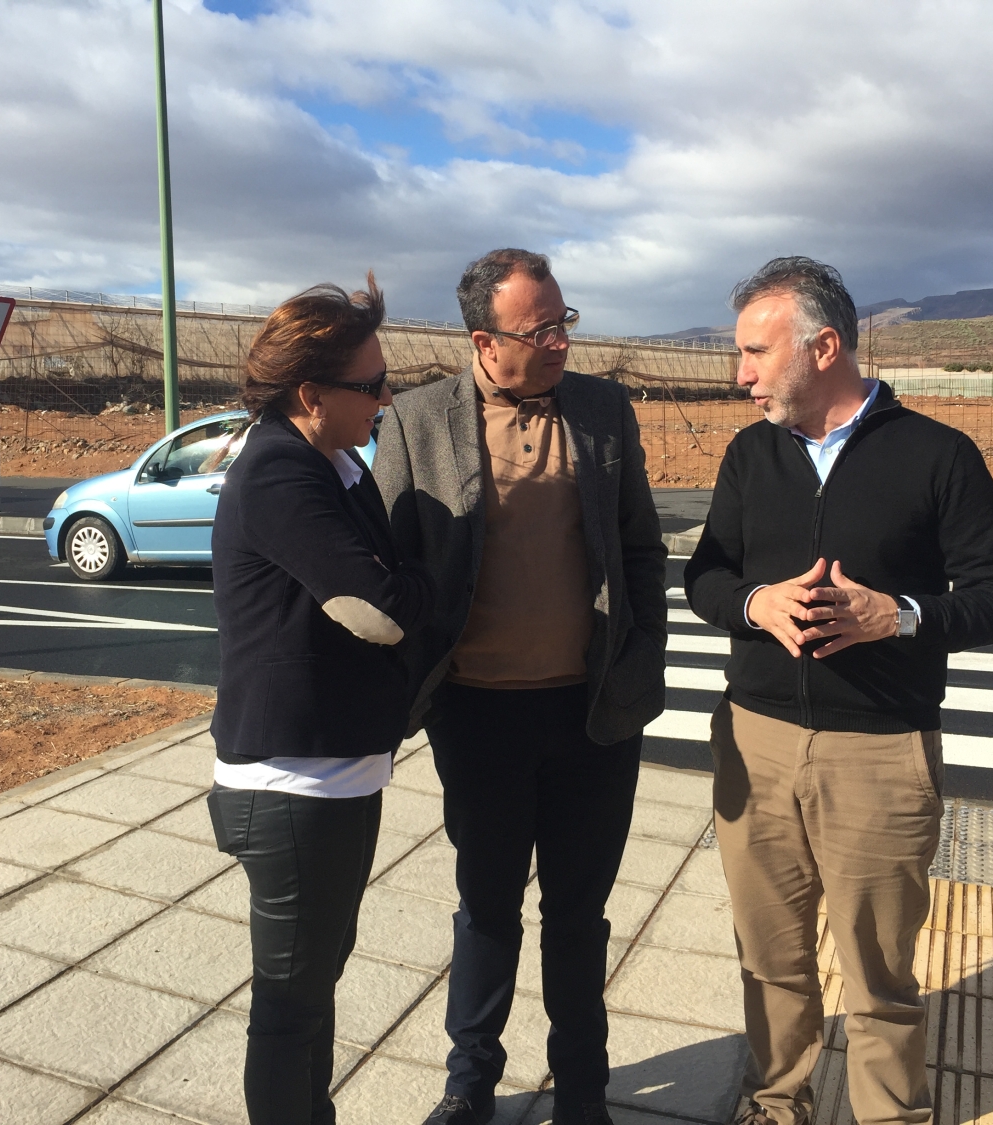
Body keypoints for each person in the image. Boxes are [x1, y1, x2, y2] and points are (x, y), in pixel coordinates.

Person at [683, 257, 993, 1125]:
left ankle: (889, 1116)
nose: (742, 374)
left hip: (879, 751)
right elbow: (706, 575)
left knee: (878, 975)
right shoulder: (750, 453)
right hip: (754, 738)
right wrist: (757, 603)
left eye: (757, 352)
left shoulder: (938, 455)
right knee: (770, 955)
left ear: (824, 346)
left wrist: (900, 613)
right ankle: (775, 1100)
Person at [372, 249, 667, 1125]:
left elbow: (642, 547)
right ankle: (471, 1083)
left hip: (592, 713)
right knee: (488, 904)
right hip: (478, 714)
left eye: (563, 322)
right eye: (537, 330)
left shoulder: (605, 410)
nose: (558, 342)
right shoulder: (418, 421)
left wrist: (642, 659)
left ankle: (582, 1089)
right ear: (482, 340)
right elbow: (391, 564)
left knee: (580, 912)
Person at [205, 275, 435, 1125]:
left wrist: (403, 581)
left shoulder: (330, 460)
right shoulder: (278, 473)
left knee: (317, 980)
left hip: (333, 776)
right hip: (293, 785)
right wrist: (417, 586)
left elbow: (381, 581)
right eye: (371, 385)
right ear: (311, 394)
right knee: (290, 1004)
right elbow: (375, 610)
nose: (386, 397)